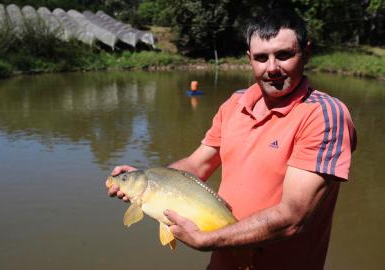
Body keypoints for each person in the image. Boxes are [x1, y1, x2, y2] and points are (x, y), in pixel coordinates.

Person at [106, 9, 357, 270]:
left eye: (283, 55)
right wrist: (147, 180)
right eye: (261, 57)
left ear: (306, 53)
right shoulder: (235, 103)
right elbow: (197, 165)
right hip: (224, 261)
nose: (272, 68)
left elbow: (293, 217)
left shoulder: (324, 115)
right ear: (249, 59)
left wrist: (207, 240)